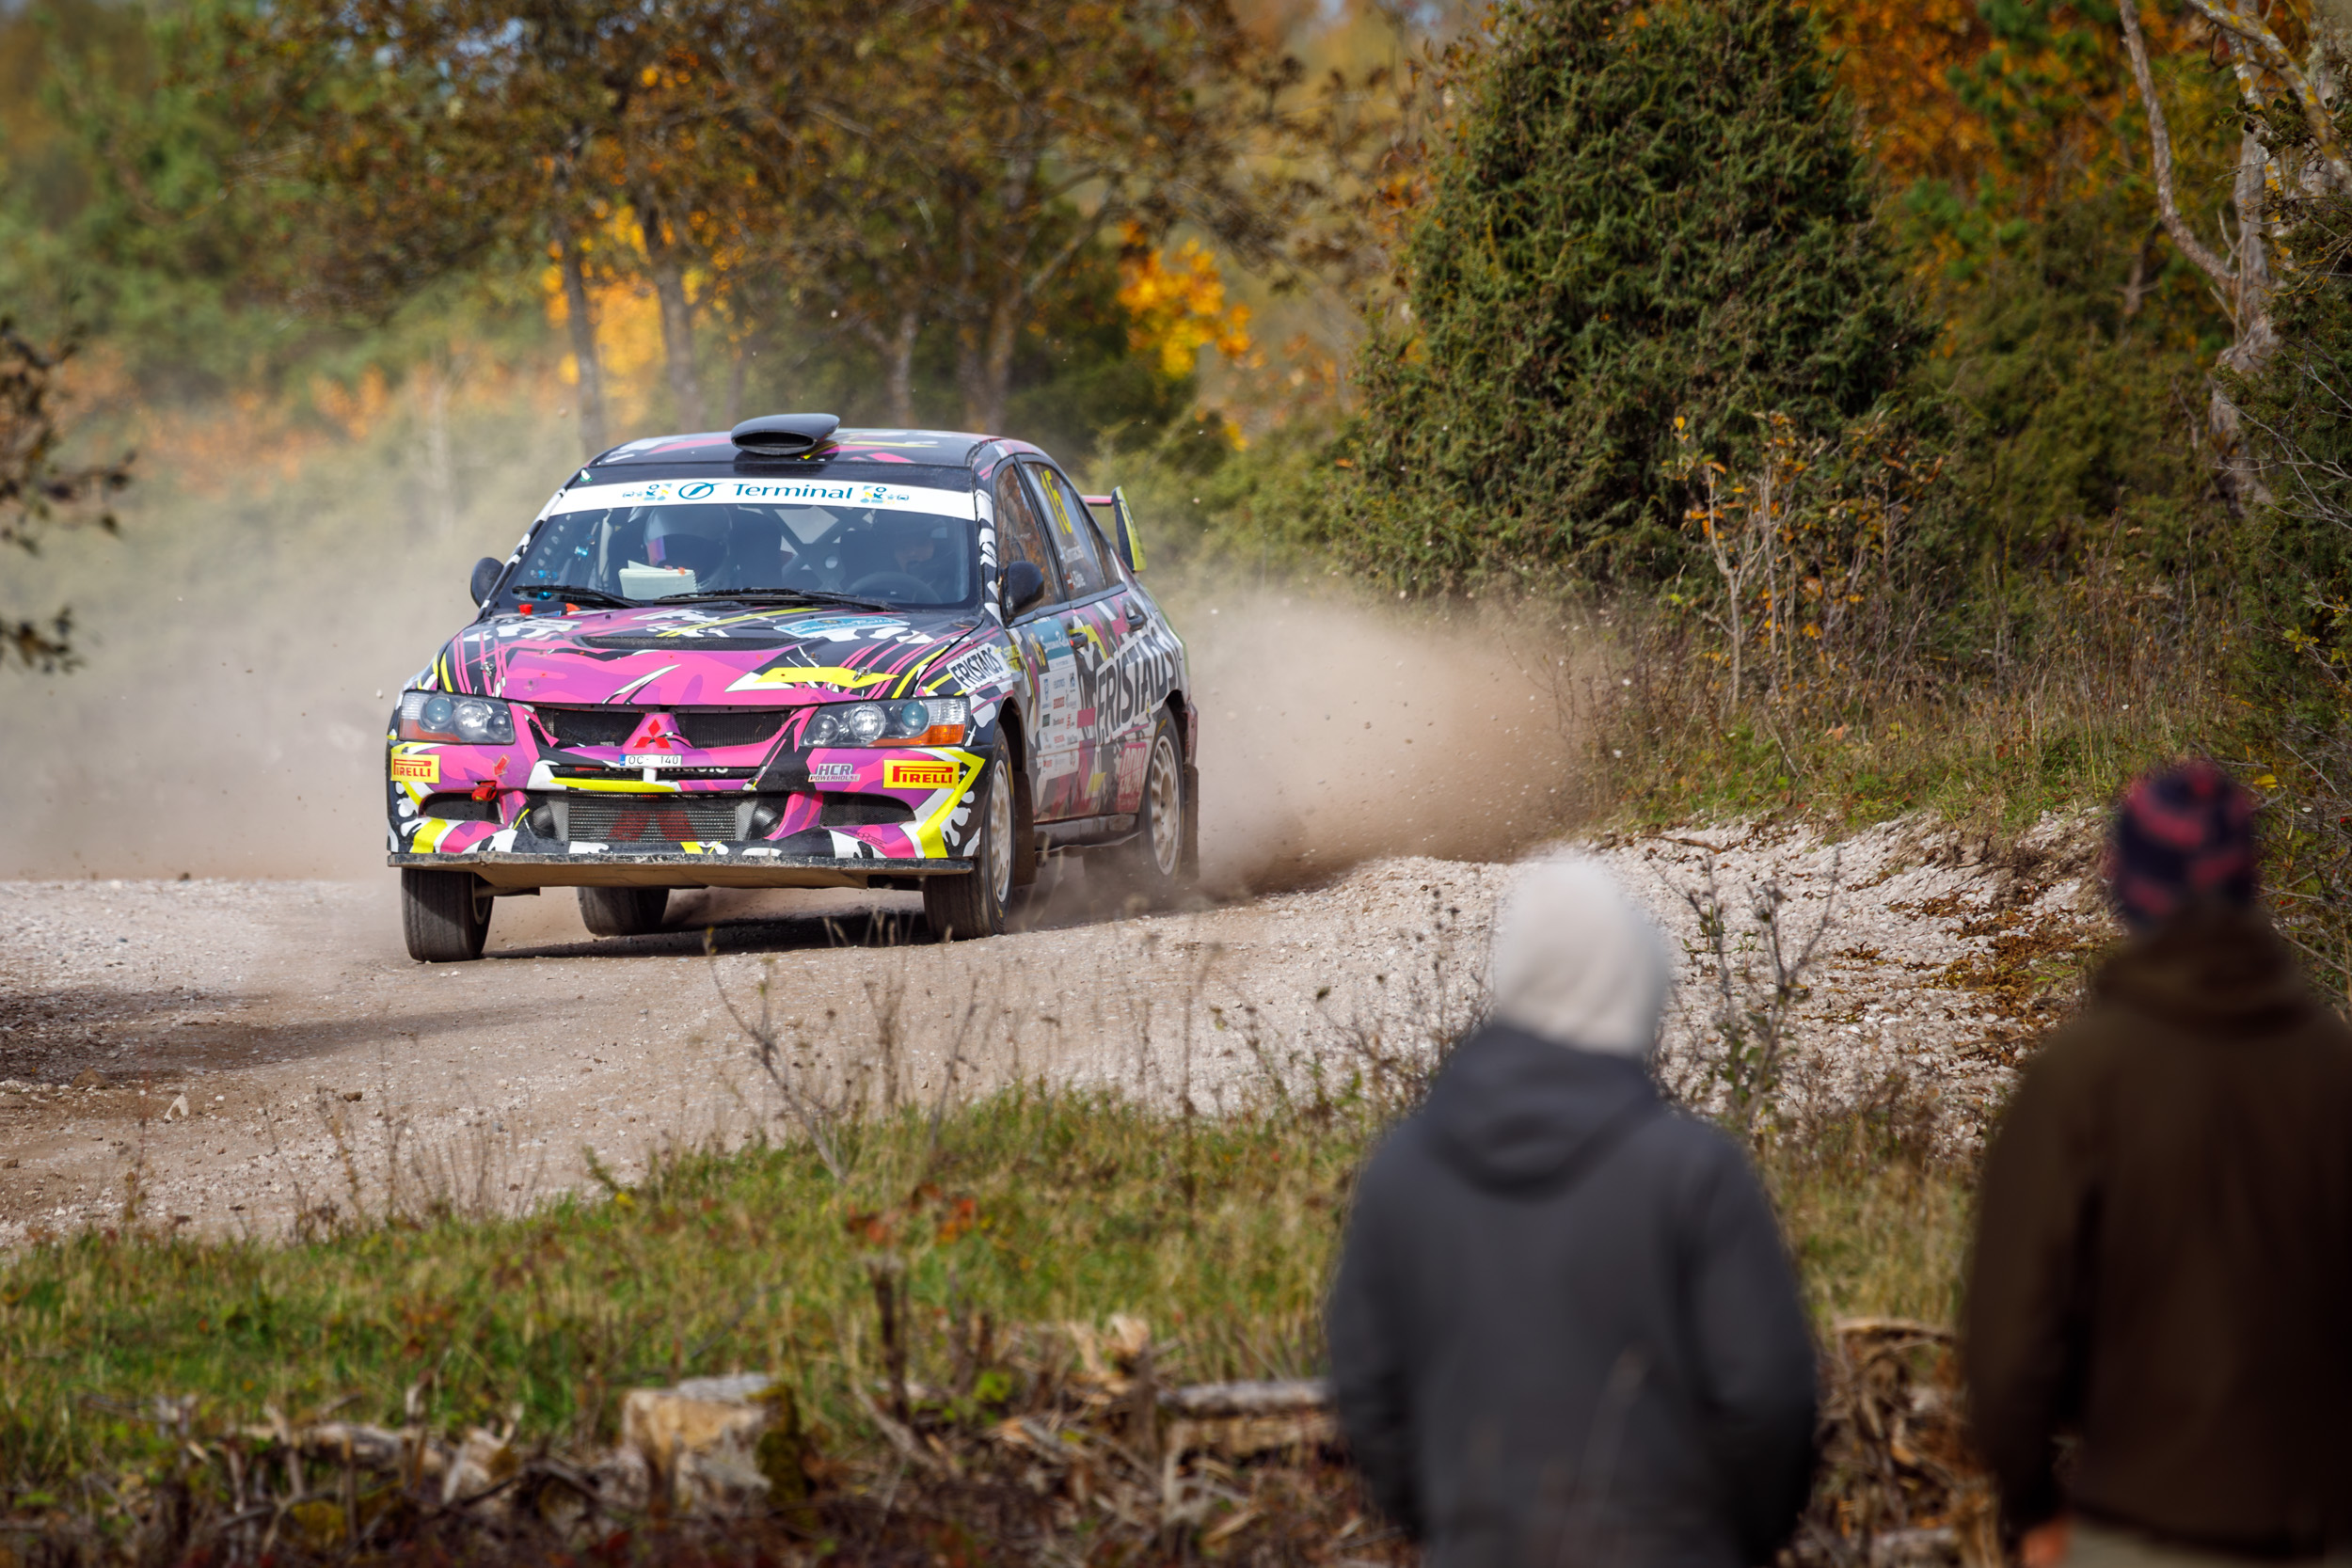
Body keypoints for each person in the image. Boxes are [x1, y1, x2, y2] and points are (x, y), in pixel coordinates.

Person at [1327, 857, 1819, 1568]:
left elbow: (1368, 1390)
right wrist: (1719, 1538)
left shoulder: (1402, 1173)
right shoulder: (1693, 1171)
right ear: (1635, 989)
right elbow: (1768, 1399)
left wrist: (1457, 1520)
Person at [1965, 759, 2352, 1568]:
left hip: (2137, 1526)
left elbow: (2007, 1346)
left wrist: (2032, 1505)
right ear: (2249, 881)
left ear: (2126, 884)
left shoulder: (2079, 1078)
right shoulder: (2333, 1068)